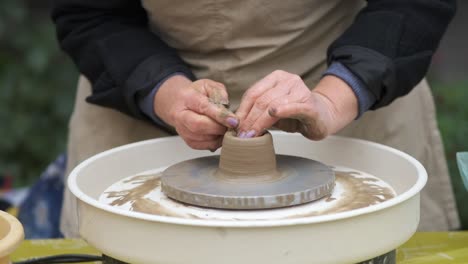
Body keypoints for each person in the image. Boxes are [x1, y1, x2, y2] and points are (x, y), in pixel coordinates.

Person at [52, 0, 459, 237]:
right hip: (138, 87)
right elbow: (88, 12)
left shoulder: (342, 93)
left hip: (351, 88)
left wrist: (335, 97)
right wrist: (166, 92)